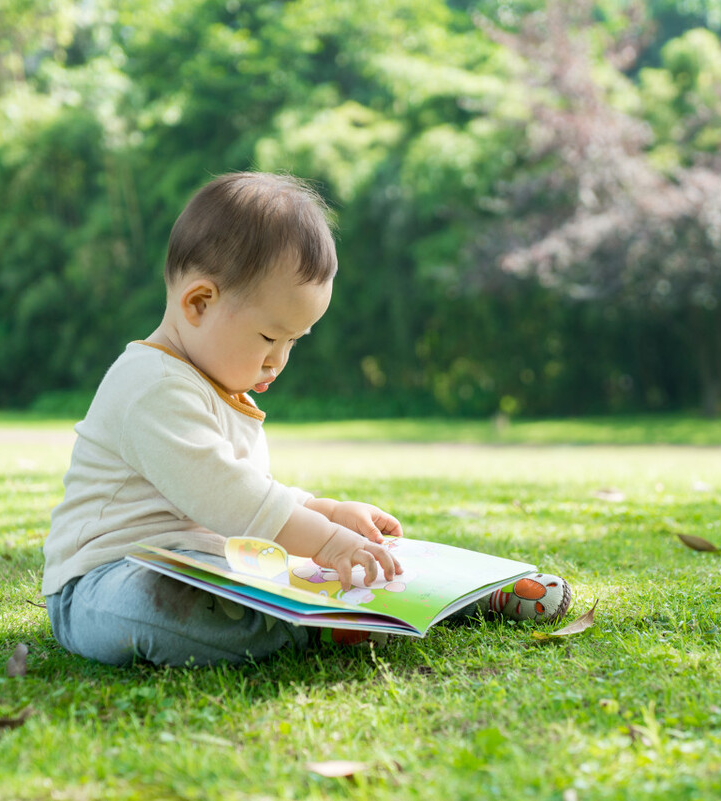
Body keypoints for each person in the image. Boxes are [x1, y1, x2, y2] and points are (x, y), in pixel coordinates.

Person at [42, 172, 571, 668]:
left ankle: (457, 595)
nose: (279, 360)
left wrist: (327, 511)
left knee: (303, 565)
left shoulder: (215, 383)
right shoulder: (152, 386)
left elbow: (255, 490)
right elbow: (229, 496)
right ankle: (332, 624)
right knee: (160, 603)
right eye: (270, 337)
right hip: (104, 583)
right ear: (199, 303)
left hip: (213, 568)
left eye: (294, 341)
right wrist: (329, 541)